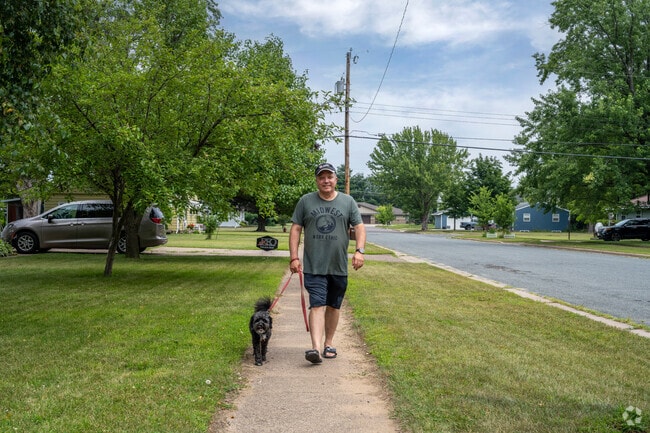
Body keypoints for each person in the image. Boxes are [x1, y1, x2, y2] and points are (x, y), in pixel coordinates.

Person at [289, 162, 366, 364]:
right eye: (321, 177)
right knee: (317, 304)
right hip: (314, 265)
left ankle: (328, 343)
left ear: (335, 179)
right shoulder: (306, 201)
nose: (326, 181)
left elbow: (359, 227)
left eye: (329, 177)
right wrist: (294, 257)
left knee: (333, 306)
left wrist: (359, 251)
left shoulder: (348, 202)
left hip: (338, 266)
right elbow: (296, 229)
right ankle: (315, 347)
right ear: (317, 180)